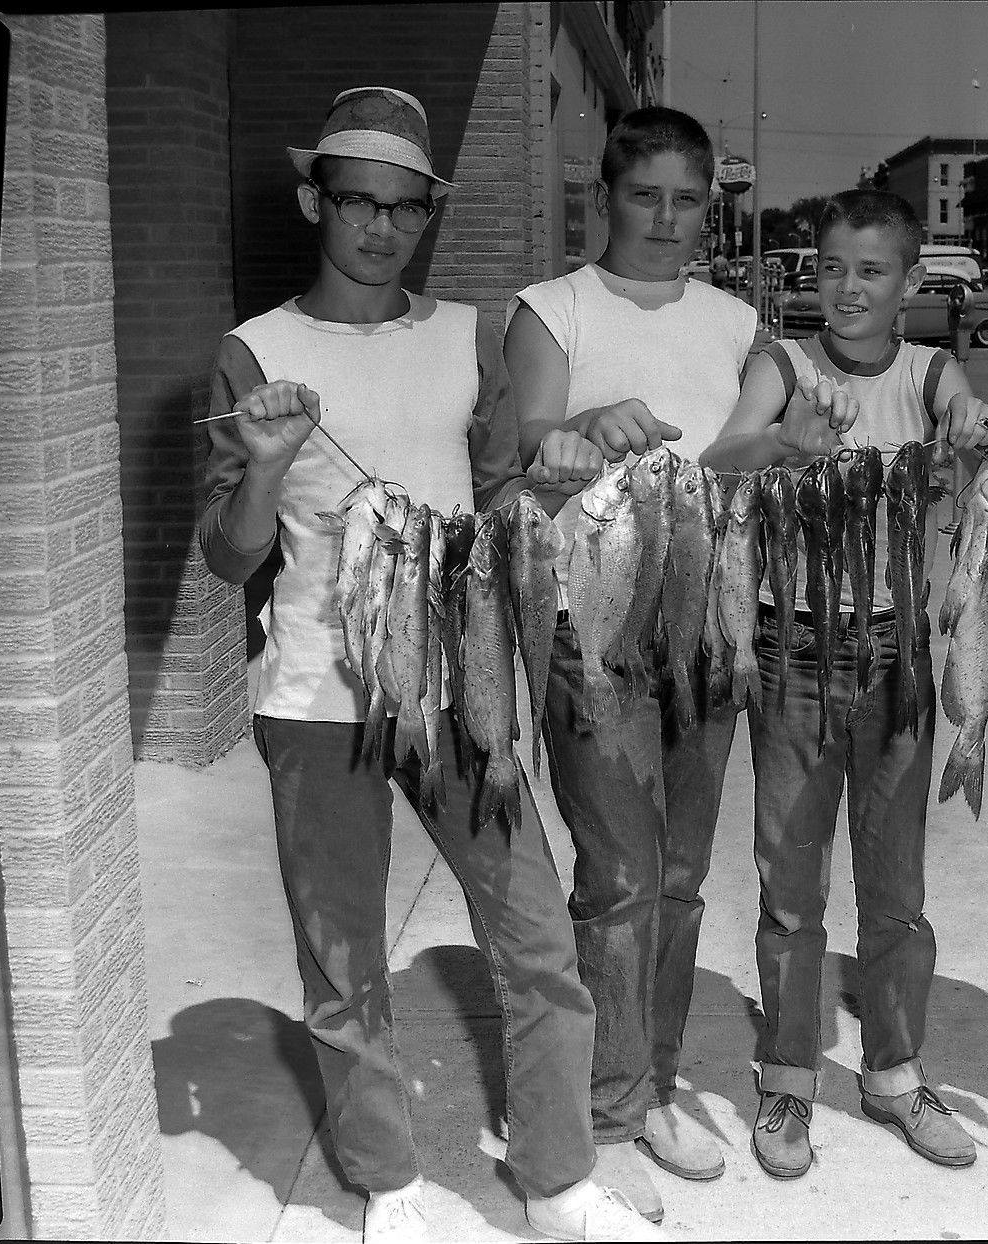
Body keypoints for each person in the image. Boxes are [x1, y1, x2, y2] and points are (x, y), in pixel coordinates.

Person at [197, 88, 660, 1242]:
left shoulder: (470, 330)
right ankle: (389, 1182)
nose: (382, 227)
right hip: (316, 694)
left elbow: (501, 496)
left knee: (537, 937)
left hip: (469, 683)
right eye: (358, 200)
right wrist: (261, 464)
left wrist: (557, 461)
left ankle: (556, 1184)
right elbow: (226, 555)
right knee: (344, 956)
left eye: (406, 207)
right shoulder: (255, 349)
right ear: (316, 199)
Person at [700, 189, 988, 1181]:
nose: (847, 286)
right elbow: (725, 451)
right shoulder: (782, 363)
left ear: (912, 282)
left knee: (897, 893)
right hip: (791, 653)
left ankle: (894, 1071)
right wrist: (786, 440)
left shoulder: (927, 371)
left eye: (871, 270)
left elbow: (967, 421)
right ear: (808, 273)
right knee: (791, 892)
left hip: (896, 659)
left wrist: (969, 422)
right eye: (830, 266)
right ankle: (788, 1074)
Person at [503, 105, 759, 1225]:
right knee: (616, 875)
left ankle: (647, 1081)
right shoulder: (549, 310)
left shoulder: (739, 319)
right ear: (604, 197)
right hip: (593, 622)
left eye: (686, 197)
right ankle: (605, 1116)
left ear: (712, 205)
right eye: (644, 193)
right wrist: (577, 427)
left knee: (680, 875)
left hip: (706, 619)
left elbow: (754, 450)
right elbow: (529, 444)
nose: (665, 218)